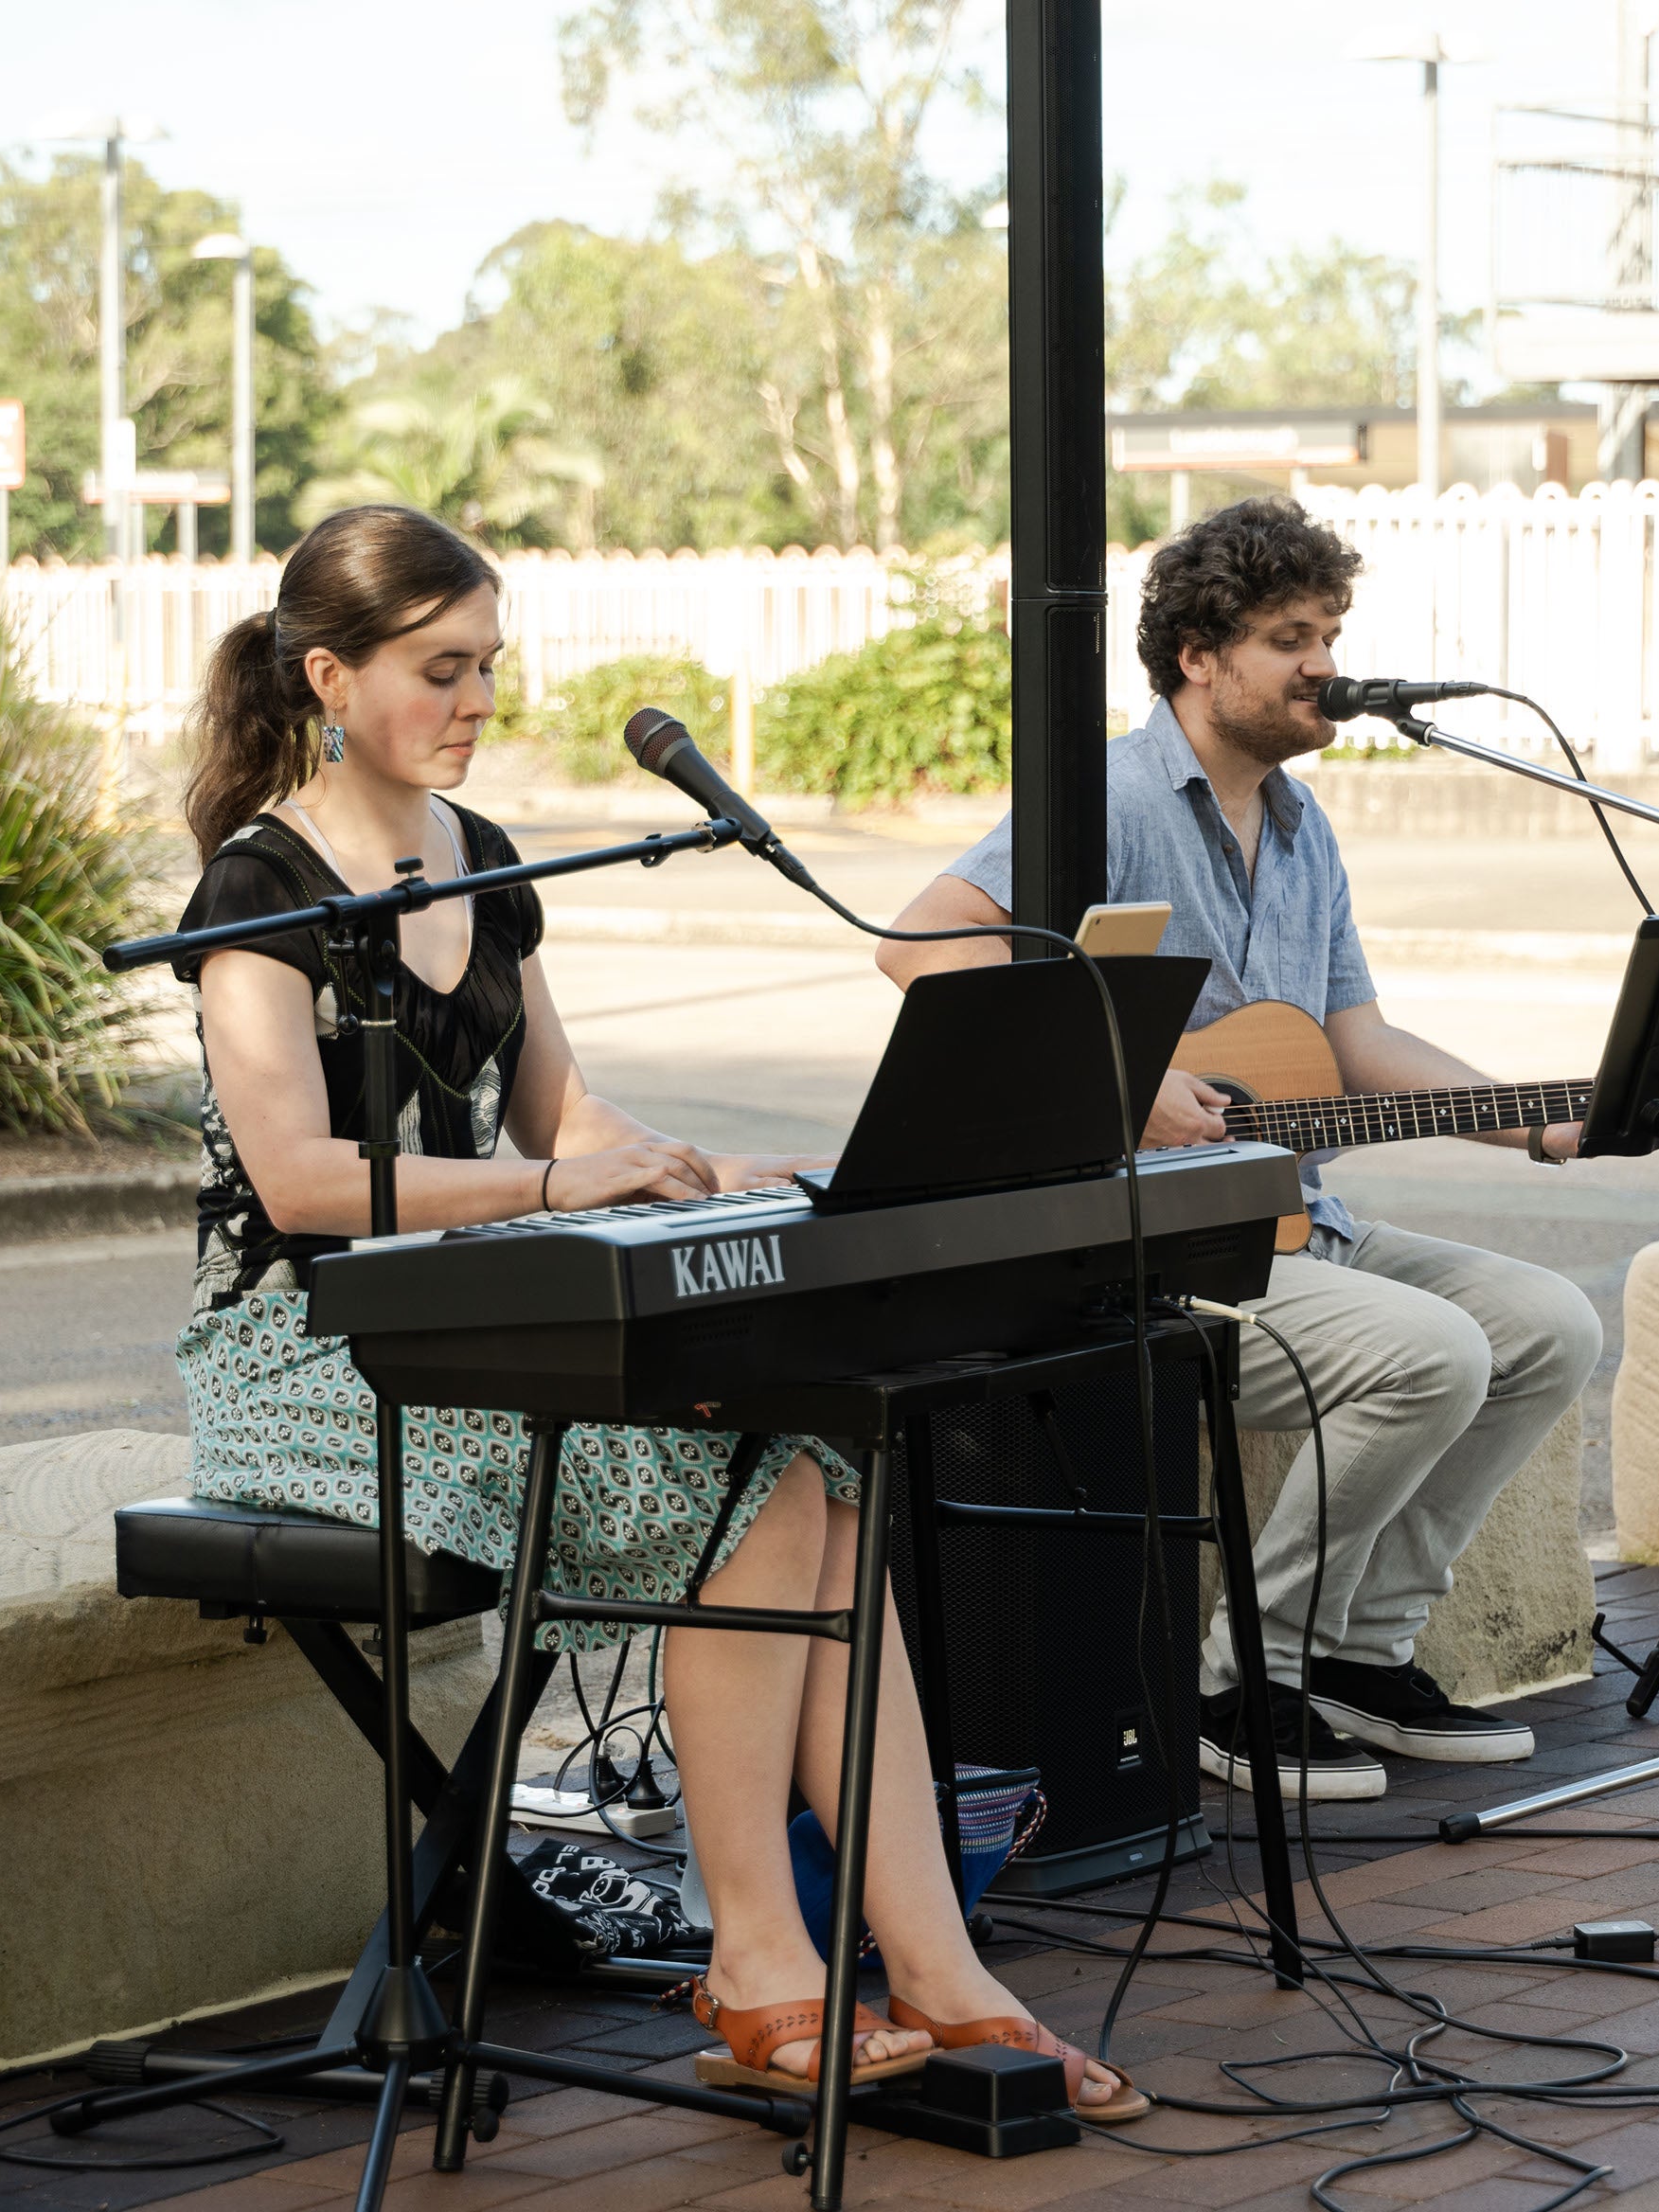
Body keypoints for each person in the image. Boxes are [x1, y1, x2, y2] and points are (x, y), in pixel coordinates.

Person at [170, 504, 1143, 2120]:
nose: (478, 701)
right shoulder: (256, 886)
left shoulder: (485, 864)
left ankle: (941, 1968)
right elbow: (299, 1183)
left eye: (489, 666)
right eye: (441, 669)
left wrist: (716, 1168)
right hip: (300, 1358)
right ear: (330, 677)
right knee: (754, 1484)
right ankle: (762, 1957)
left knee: (831, 1471)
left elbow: (560, 1121)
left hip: (469, 1314)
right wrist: (559, 1195)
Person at [877, 497, 1607, 1804]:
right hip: (1138, 1241)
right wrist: (1127, 1074)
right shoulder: (1106, 795)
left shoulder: (1301, 825)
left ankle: (1354, 1653)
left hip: (1286, 1218)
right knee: (1427, 1352)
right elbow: (920, 945)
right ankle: (1240, 1678)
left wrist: (1540, 1115)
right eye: (1290, 637)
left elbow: (1353, 1040)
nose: (1325, 664)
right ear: (1198, 658)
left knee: (1549, 1322)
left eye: (1330, 632)